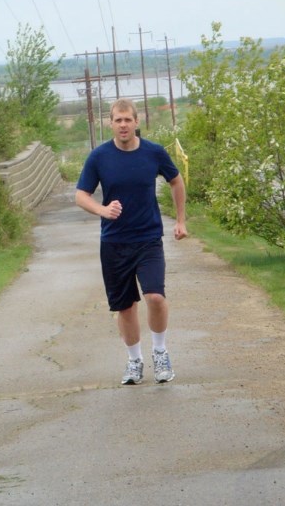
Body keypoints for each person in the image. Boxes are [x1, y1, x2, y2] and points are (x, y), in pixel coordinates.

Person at [75, 98, 187, 385]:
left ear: (137, 122)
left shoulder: (154, 153)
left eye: (128, 120)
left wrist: (180, 220)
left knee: (155, 297)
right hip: (114, 243)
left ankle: (160, 353)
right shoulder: (99, 157)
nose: (123, 125)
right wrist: (102, 210)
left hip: (148, 238)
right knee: (125, 307)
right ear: (110, 123)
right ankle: (134, 361)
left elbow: (176, 180)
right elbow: (81, 195)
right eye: (117, 120)